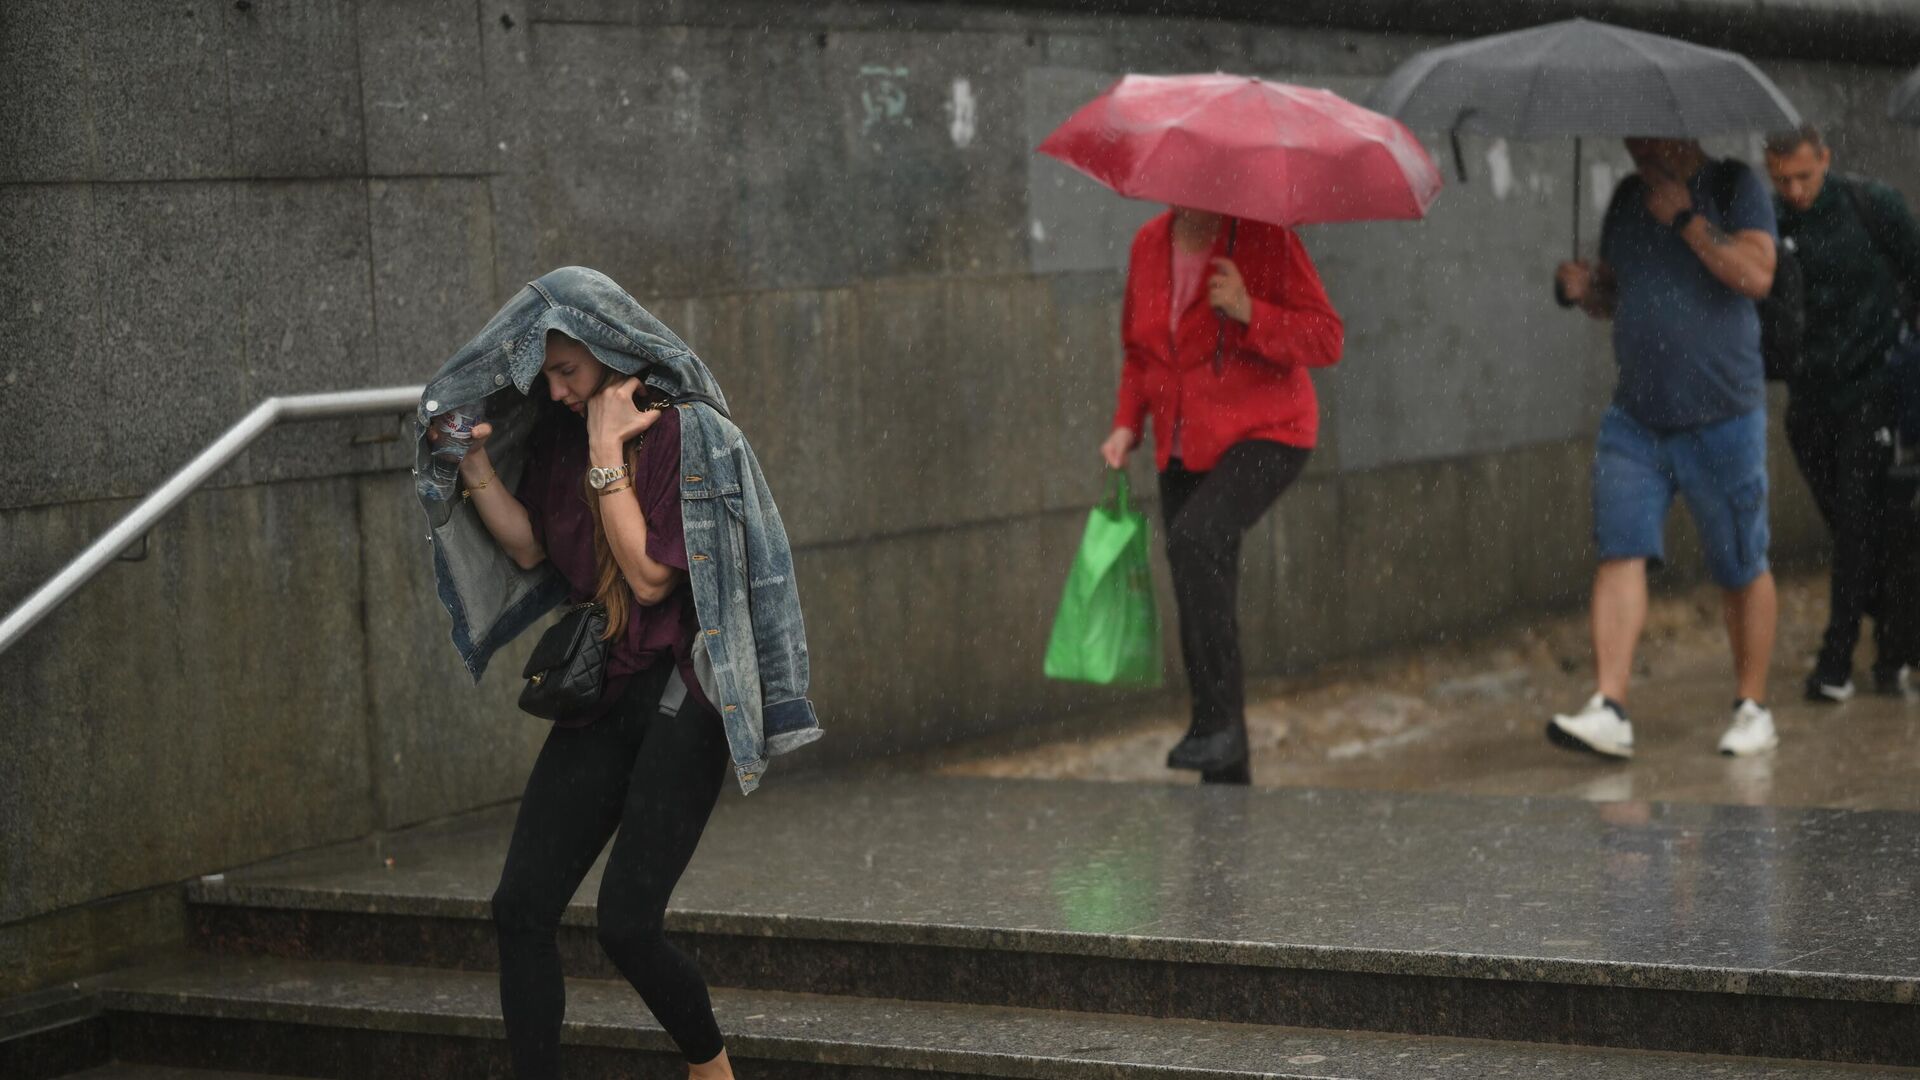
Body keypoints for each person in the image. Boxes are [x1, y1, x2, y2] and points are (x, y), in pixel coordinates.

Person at [413, 267, 822, 1079]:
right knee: (521, 906)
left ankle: (713, 1071)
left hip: (684, 692)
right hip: (604, 688)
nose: (557, 391)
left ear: (609, 346)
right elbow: (531, 547)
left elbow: (649, 577)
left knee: (627, 925)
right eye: (547, 375)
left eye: (568, 371)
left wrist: (608, 449)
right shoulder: (559, 435)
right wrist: (472, 464)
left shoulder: (685, 432)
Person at [1551, 137, 1782, 759]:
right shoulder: (1629, 196)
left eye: (1643, 133)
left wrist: (1686, 219)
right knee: (1619, 549)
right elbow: (1618, 294)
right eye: (1625, 135)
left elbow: (1757, 275)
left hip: (1723, 414)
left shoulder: (1735, 185)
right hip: (1637, 417)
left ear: (1677, 129)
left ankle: (1752, 707)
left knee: (1740, 565)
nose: (1631, 143)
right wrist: (1587, 288)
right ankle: (1610, 706)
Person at [1100, 206, 1344, 784]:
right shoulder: (1148, 244)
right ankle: (1225, 773)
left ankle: (1215, 724)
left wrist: (1249, 310)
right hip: (1182, 443)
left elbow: (1326, 338)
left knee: (1196, 540)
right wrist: (1127, 423)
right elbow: (1139, 352)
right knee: (1199, 589)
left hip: (1269, 432)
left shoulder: (1267, 239)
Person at [1763, 123, 1920, 699]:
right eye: (1783, 180)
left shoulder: (1872, 206)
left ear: (1825, 159)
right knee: (1851, 527)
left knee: (1859, 525)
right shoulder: (1770, 222)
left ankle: (1838, 659)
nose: (1795, 190)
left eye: (1804, 177)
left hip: (1872, 390)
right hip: (1808, 401)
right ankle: (1900, 633)